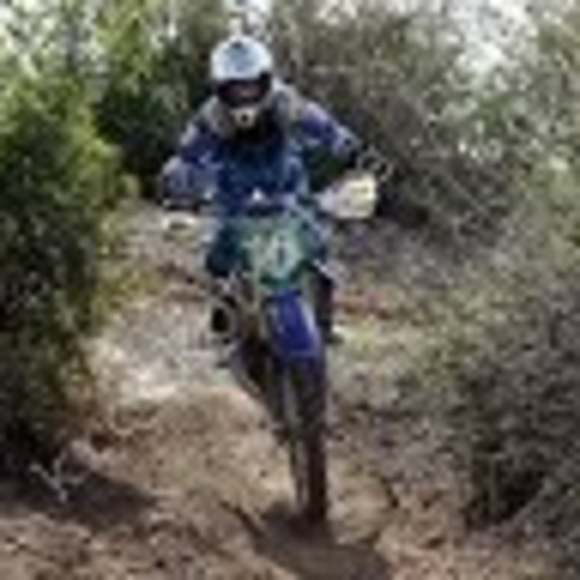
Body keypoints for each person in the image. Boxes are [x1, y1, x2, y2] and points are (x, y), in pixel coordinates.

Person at [160, 34, 364, 342]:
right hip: (234, 196)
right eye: (236, 87)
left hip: (287, 188)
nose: (244, 94)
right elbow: (187, 155)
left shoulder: (285, 102)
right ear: (220, 88)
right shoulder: (211, 117)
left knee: (316, 246)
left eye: (251, 85)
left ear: (266, 80)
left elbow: (321, 124)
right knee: (220, 255)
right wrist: (177, 184)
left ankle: (323, 325)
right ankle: (223, 321)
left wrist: (351, 149)